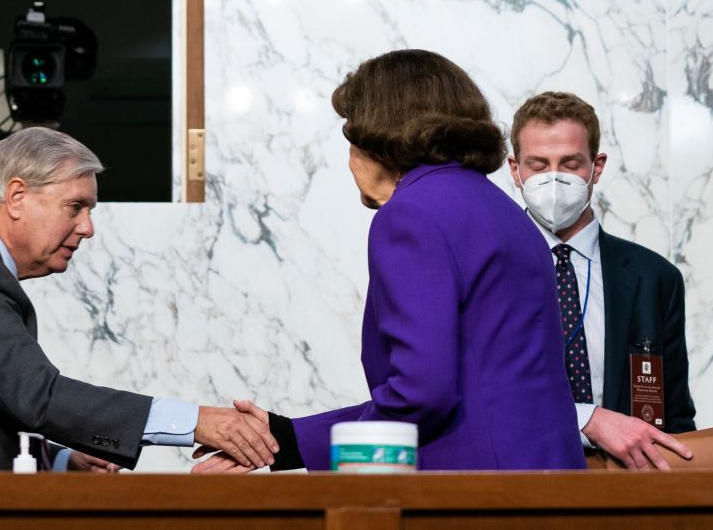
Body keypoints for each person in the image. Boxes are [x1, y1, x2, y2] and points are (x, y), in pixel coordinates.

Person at [195, 50, 585, 473]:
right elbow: (485, 383)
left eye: (350, 137)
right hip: (546, 483)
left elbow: (424, 392)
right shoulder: (502, 209)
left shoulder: (411, 213)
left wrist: (287, 448)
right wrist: (287, 440)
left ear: (377, 136)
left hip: (471, 494)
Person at [0, 127, 278, 471]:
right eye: (75, 207)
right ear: (17, 197)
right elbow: (36, 396)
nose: (88, 228)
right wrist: (196, 421)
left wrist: (62, 459)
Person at [507, 91, 696, 470]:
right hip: (519, 483)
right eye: (539, 165)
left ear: (597, 166)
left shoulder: (655, 278)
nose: (554, 179)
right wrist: (586, 420)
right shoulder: (489, 270)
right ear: (515, 170)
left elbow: (676, 420)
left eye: (570, 163)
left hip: (629, 491)